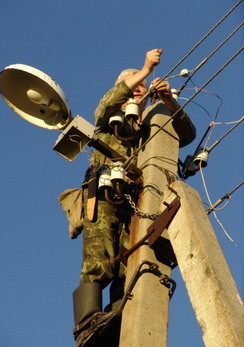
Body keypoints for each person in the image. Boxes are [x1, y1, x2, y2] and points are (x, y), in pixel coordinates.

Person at [60, 49, 196, 346]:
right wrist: (146, 67)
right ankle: (87, 323)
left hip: (135, 203)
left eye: (143, 85)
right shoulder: (109, 116)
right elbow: (111, 99)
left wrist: (168, 100)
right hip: (104, 193)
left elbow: (185, 134)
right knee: (100, 254)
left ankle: (119, 316)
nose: (139, 86)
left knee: (128, 261)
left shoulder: (146, 126)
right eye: (132, 82)